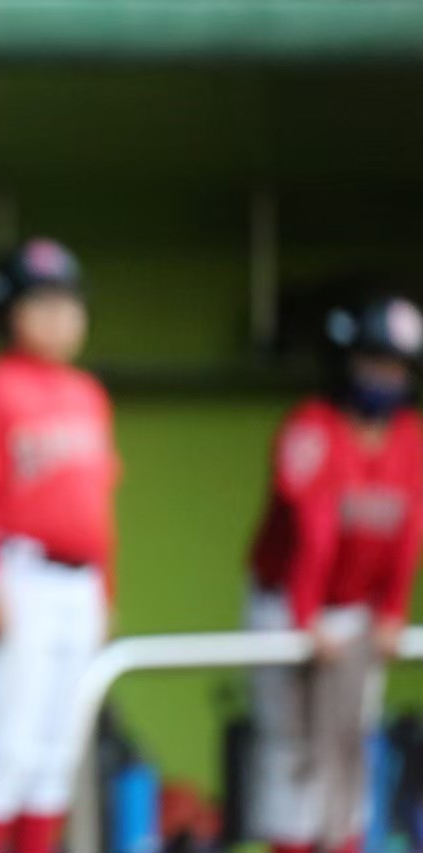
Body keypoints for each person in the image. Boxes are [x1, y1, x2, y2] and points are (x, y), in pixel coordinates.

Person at [0, 239, 120, 853]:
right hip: (17, 576)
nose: (58, 317)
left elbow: (100, 509)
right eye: (40, 304)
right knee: (4, 752)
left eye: (67, 304)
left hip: (79, 585)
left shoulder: (87, 393)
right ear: (7, 313)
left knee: (55, 754)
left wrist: (107, 591)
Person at [246, 295, 423, 853]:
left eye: (396, 366)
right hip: (286, 603)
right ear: (347, 361)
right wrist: (304, 620)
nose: (385, 377)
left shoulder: (411, 438)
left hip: (356, 611)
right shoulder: (312, 427)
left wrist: (393, 612)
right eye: (374, 361)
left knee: (349, 743)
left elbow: (409, 530)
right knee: (294, 749)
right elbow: (312, 531)